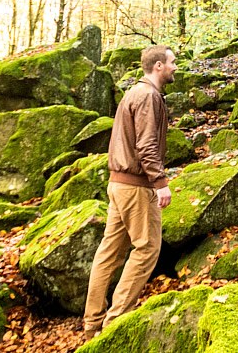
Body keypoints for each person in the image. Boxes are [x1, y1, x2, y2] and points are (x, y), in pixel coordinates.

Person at [81, 45, 176, 338]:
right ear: (158, 66)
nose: (176, 66)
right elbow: (146, 146)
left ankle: (91, 324)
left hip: (117, 184)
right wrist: (160, 183)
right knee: (147, 247)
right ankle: (115, 321)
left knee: (109, 252)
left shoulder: (133, 93)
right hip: (135, 186)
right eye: (172, 62)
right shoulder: (147, 96)